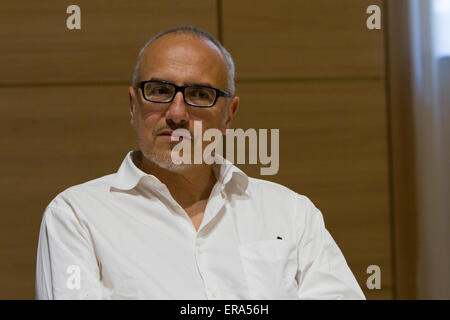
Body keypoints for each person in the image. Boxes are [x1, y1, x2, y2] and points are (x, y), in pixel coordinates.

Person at [35, 26, 365, 300]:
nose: (177, 113)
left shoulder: (292, 213)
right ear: (133, 105)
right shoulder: (74, 216)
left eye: (199, 95)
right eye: (160, 90)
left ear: (229, 114)